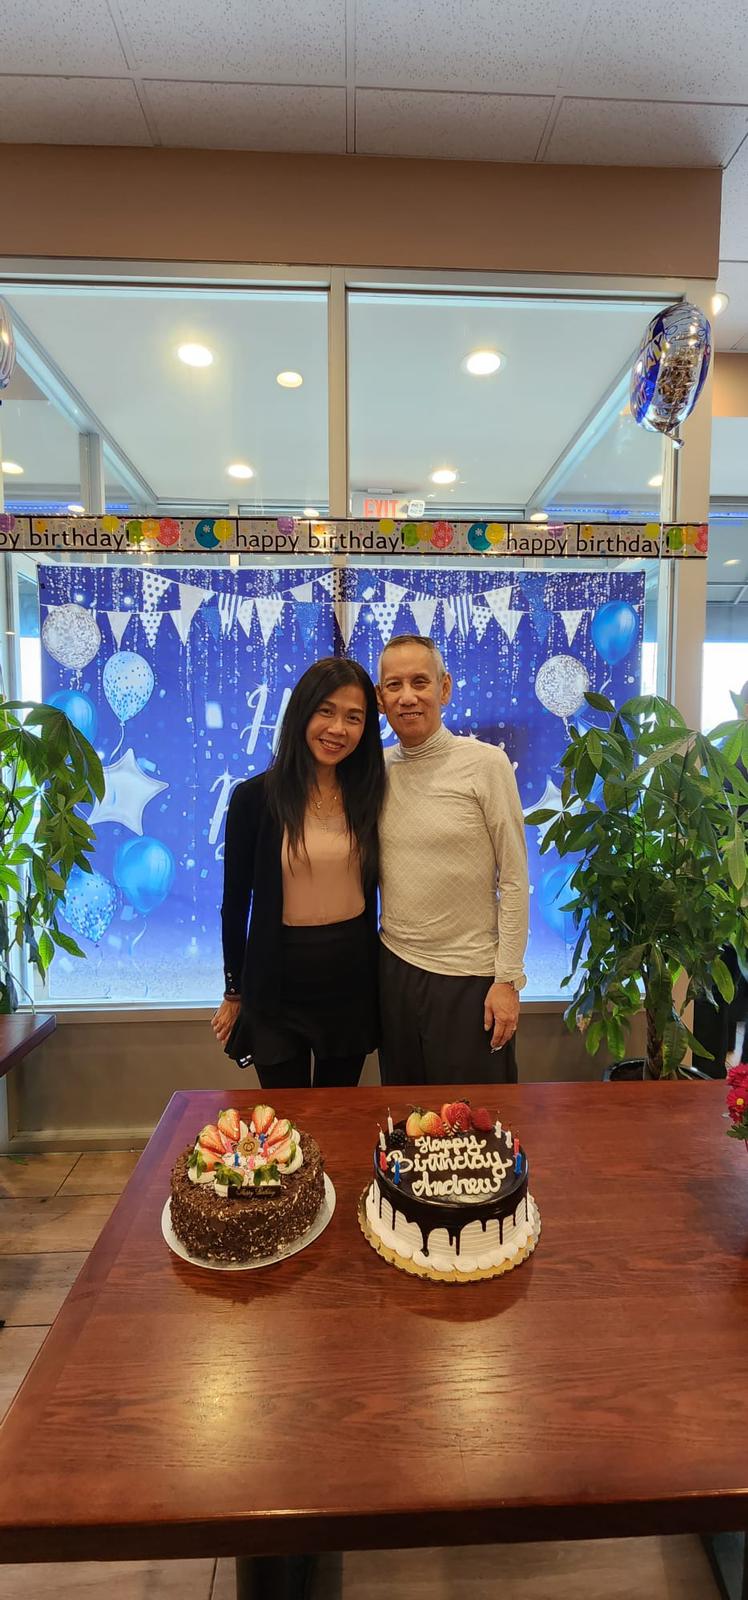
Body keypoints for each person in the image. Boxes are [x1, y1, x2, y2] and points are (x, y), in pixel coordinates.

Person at [211, 657, 385, 1089]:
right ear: (302, 712)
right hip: (276, 979)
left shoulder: (370, 793)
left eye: (354, 717)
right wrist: (234, 990)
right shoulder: (255, 798)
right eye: (326, 711)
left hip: (349, 977)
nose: (338, 729)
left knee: (337, 1112)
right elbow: (235, 904)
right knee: (284, 1116)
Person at [376, 633, 529, 1085]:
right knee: (405, 1112)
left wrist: (508, 980)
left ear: (444, 688)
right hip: (395, 970)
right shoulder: (375, 770)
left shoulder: (486, 764)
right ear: (380, 698)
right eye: (394, 685)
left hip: (471, 978)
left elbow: (514, 878)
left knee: (473, 1116)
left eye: (420, 682)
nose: (407, 697)